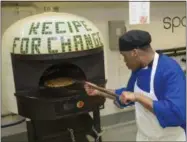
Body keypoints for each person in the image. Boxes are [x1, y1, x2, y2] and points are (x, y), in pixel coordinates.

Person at [84, 30, 186, 141]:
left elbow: (177, 114)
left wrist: (139, 97)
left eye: (124, 56)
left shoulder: (170, 70)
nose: (124, 61)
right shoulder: (138, 69)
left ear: (134, 53)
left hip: (169, 138)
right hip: (144, 136)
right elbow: (127, 95)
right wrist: (99, 91)